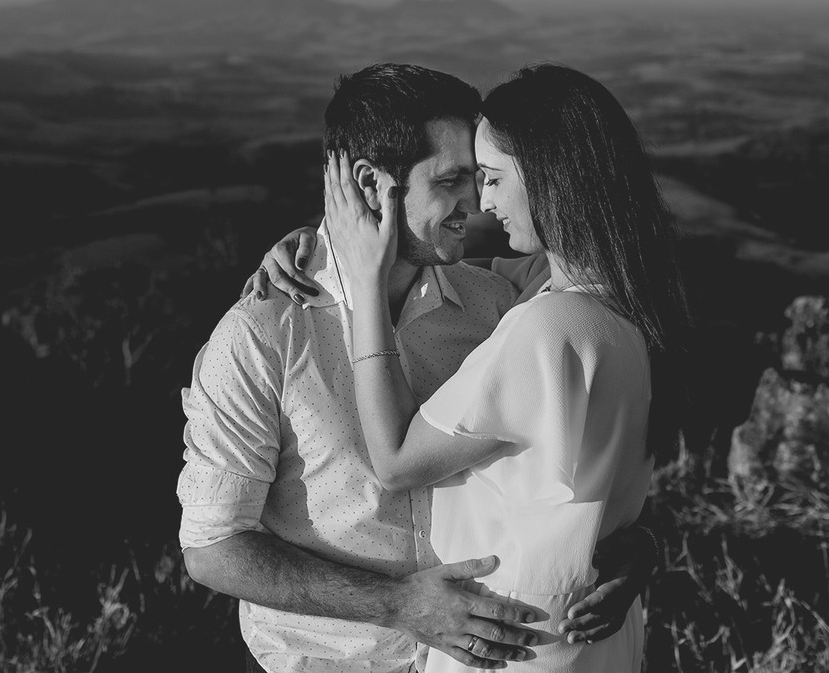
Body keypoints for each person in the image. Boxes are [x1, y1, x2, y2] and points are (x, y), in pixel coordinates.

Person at [178, 63, 655, 673]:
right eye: (454, 180)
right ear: (370, 183)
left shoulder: (495, 306)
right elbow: (213, 549)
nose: (475, 203)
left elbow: (571, 464)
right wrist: (399, 606)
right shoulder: (263, 335)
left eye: (482, 178)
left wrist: (634, 544)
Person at [318, 63, 690, 672]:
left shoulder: (547, 330)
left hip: (511, 642)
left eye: (491, 178)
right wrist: (316, 246)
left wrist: (360, 280)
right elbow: (469, 274)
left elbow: (394, 461)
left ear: (548, 179)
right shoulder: (618, 299)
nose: (484, 202)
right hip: (580, 639)